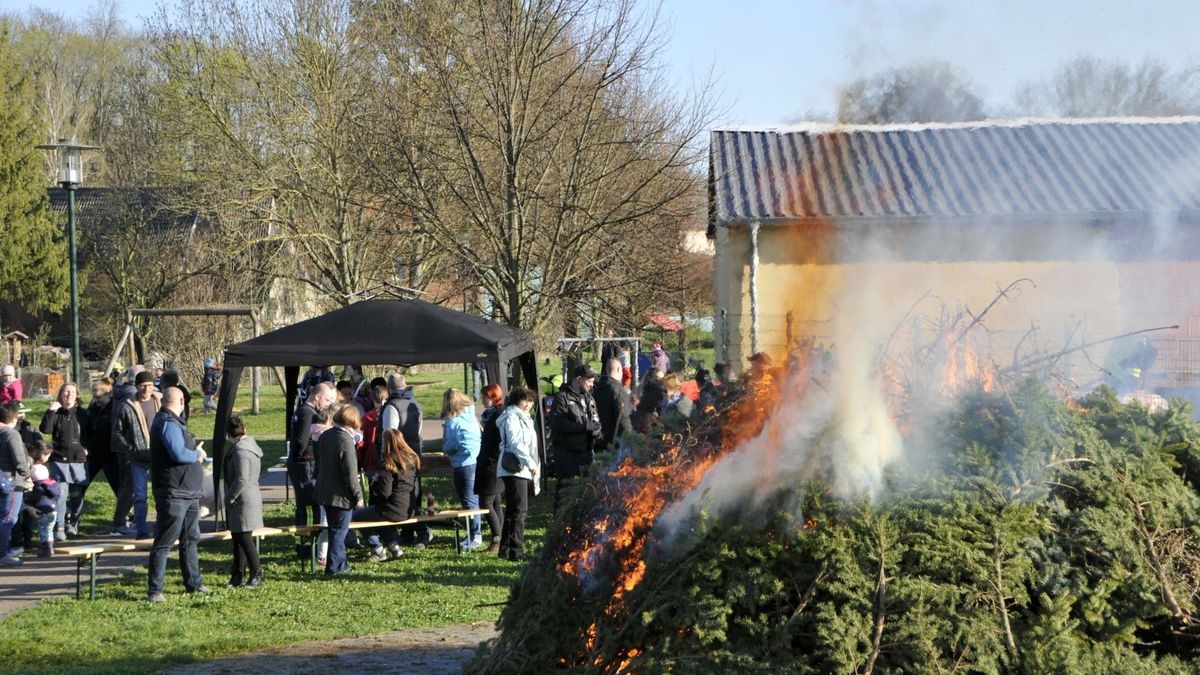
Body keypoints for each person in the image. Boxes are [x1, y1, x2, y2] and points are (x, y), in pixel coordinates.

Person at [147, 387, 209, 602]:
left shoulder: (175, 422)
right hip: (173, 492)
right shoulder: (167, 422)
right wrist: (197, 454)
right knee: (165, 541)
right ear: (181, 401)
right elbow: (178, 453)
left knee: (190, 539)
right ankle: (155, 590)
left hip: (188, 492)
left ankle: (194, 583)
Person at [353, 429, 419, 562]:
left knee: (357, 516)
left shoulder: (388, 463)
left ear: (387, 444)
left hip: (391, 510)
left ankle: (378, 549)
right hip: (408, 509)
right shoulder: (411, 461)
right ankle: (394, 547)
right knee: (375, 517)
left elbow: (384, 492)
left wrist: (375, 482)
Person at [379, 373, 430, 547]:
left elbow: (390, 434)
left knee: (398, 494)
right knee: (414, 493)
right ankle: (414, 532)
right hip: (414, 455)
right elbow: (419, 430)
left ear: (389, 388)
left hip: (397, 456)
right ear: (405, 384)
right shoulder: (416, 404)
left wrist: (385, 457)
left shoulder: (391, 406)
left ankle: (415, 532)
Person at [314, 404, 363, 577]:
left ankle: (342, 564)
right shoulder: (345, 440)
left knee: (336, 530)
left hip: (324, 490)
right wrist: (358, 495)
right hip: (340, 494)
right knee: (339, 531)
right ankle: (333, 567)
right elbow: (350, 472)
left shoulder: (325, 435)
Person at [112, 371, 160, 539]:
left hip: (159, 455)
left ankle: (161, 528)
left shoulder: (160, 402)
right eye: (142, 385)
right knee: (139, 496)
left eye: (149, 385)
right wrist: (130, 448)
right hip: (137, 457)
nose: (146, 388)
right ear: (137, 386)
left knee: (161, 493)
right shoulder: (127, 406)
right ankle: (142, 530)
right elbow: (117, 432)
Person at [39, 382, 90, 539]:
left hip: (78, 459)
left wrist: (87, 448)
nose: (69, 394)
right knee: (61, 495)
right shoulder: (56, 412)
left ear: (77, 395)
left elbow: (94, 432)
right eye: (65, 392)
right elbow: (45, 429)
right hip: (59, 459)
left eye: (72, 392)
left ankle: (73, 522)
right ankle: (59, 527)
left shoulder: (83, 414)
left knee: (76, 495)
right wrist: (50, 411)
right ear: (60, 394)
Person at [549, 364, 601, 511]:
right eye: (589, 381)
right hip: (567, 453)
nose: (592, 384)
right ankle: (559, 522)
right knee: (565, 489)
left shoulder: (590, 398)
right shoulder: (562, 398)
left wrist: (597, 432)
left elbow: (595, 420)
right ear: (578, 379)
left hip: (587, 451)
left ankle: (582, 521)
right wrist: (584, 426)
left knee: (588, 488)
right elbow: (558, 423)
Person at [497, 386, 539, 561]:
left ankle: (505, 549)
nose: (528, 404)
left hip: (520, 468)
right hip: (514, 468)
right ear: (516, 400)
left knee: (513, 510)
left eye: (530, 400)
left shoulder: (524, 417)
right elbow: (515, 444)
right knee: (520, 510)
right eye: (524, 400)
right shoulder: (512, 417)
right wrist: (530, 462)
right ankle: (516, 551)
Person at [289, 382, 335, 538]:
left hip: (301, 463)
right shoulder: (308, 414)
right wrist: (301, 456)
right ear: (317, 397)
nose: (328, 404)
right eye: (327, 400)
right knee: (308, 504)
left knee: (305, 504)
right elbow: (302, 440)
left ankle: (306, 540)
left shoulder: (301, 410)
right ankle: (308, 542)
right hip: (305, 464)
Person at [223, 414, 264, 588]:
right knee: (238, 538)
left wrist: (230, 497)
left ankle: (256, 572)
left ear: (228, 435)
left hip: (243, 500)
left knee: (245, 539)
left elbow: (241, 479)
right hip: (246, 498)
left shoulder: (242, 452)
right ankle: (237, 574)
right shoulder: (248, 446)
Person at [441, 388, 482, 550]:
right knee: (475, 500)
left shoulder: (453, 421)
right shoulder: (471, 416)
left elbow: (451, 445)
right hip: (475, 460)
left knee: (468, 501)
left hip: (463, 464)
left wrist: (444, 447)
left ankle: (475, 536)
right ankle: (474, 534)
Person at [473, 384, 505, 553]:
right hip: (490, 463)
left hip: (493, 465)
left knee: (486, 502)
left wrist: (492, 458)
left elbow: (499, 441)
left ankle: (497, 538)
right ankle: (500, 538)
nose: (482, 400)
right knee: (496, 502)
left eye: (485, 396)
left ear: (493, 397)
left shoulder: (498, 415)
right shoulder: (490, 415)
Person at [0, 401, 30, 566]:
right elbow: (19, 460)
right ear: (14, 416)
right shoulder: (11, 434)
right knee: (8, 518)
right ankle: (2, 554)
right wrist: (27, 474)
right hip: (10, 482)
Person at [82, 378, 119, 511]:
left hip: (110, 454)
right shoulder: (93, 409)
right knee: (82, 484)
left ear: (108, 394)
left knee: (118, 485)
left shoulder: (114, 410)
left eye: (99, 398)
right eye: (94, 398)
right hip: (93, 453)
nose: (97, 401)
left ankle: (126, 513)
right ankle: (73, 513)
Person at [593, 358, 632, 451]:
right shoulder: (617, 390)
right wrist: (630, 436)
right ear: (619, 370)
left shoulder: (596, 389)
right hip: (615, 442)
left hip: (599, 439)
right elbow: (623, 416)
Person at [25, 463, 60, 558]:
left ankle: (46, 550)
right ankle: (51, 548)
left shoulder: (39, 487)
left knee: (43, 530)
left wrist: (27, 498)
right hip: (54, 511)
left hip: (44, 512)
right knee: (49, 530)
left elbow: (34, 498)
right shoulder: (52, 484)